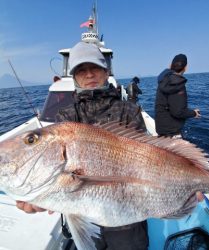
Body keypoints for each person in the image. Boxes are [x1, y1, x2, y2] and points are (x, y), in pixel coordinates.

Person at [16, 41, 149, 250]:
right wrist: (42, 195)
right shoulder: (66, 116)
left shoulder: (129, 111)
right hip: (82, 217)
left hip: (126, 219)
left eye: (94, 67)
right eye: (81, 70)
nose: (89, 75)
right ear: (75, 77)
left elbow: (146, 162)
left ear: (105, 72)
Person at [155, 54, 201, 138]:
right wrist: (194, 113)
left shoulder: (163, 80)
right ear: (185, 67)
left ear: (170, 65)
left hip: (161, 130)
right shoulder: (178, 84)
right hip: (172, 133)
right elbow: (178, 112)